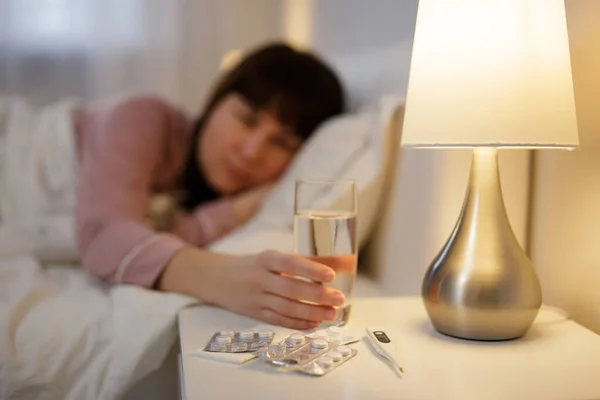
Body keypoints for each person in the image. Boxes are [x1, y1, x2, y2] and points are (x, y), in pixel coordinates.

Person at [74, 42, 346, 329]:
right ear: (215, 101)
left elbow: (150, 238)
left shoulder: (245, 197)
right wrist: (220, 278)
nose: (252, 151)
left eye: (281, 143)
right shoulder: (141, 118)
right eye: (246, 119)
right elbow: (103, 233)